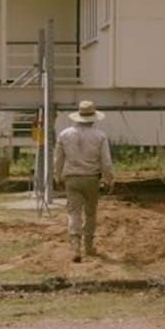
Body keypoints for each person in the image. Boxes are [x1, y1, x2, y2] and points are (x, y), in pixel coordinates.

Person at [53, 100, 115, 262]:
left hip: (72, 178)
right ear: (93, 118)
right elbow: (106, 162)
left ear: (77, 117)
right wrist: (109, 179)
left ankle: (75, 246)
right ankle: (89, 246)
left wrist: (57, 175)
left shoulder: (65, 134)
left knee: (74, 212)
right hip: (91, 178)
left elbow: (58, 159)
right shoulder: (100, 136)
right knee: (90, 212)